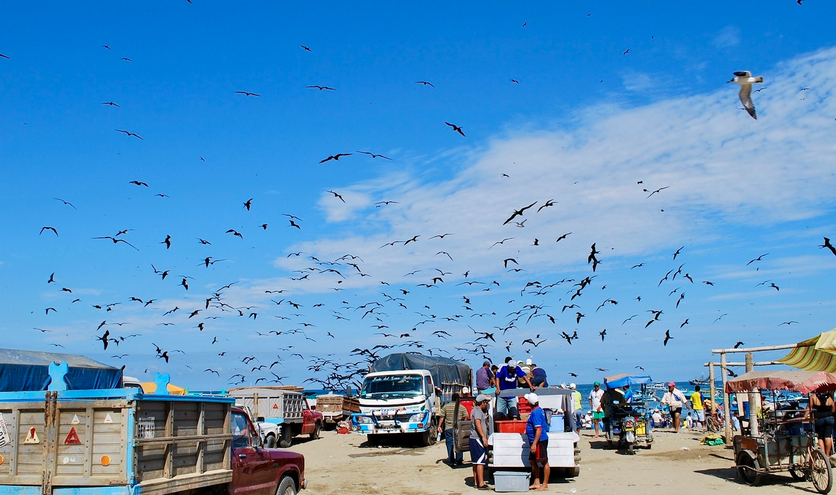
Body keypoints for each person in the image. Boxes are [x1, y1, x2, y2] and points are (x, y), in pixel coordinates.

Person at [524, 393, 549, 491]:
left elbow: (538, 429)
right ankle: (537, 481)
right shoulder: (536, 411)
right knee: (532, 460)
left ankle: (545, 484)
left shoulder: (536, 412)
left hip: (540, 441)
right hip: (534, 440)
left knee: (544, 461)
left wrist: (534, 444)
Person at [469, 394, 492, 490]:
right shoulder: (478, 411)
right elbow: (478, 423)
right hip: (477, 439)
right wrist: (483, 437)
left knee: (475, 462)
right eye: (486, 403)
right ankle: (481, 483)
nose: (487, 405)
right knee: (480, 462)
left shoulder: (475, 410)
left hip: (474, 439)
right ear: (482, 402)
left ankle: (476, 482)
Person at [438, 392, 468, 466]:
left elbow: (442, 416)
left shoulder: (446, 406)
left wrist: (439, 426)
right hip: (458, 428)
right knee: (459, 444)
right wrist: (463, 424)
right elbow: (466, 416)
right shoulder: (461, 407)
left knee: (449, 444)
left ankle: (451, 461)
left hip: (448, 428)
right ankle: (459, 460)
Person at [809, 389, 835, 457]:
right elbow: (833, 409)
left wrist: (805, 417)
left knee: (820, 437)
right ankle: (828, 455)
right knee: (827, 436)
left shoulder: (813, 396)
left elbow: (809, 408)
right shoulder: (829, 397)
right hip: (830, 417)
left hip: (820, 418)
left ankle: (823, 456)